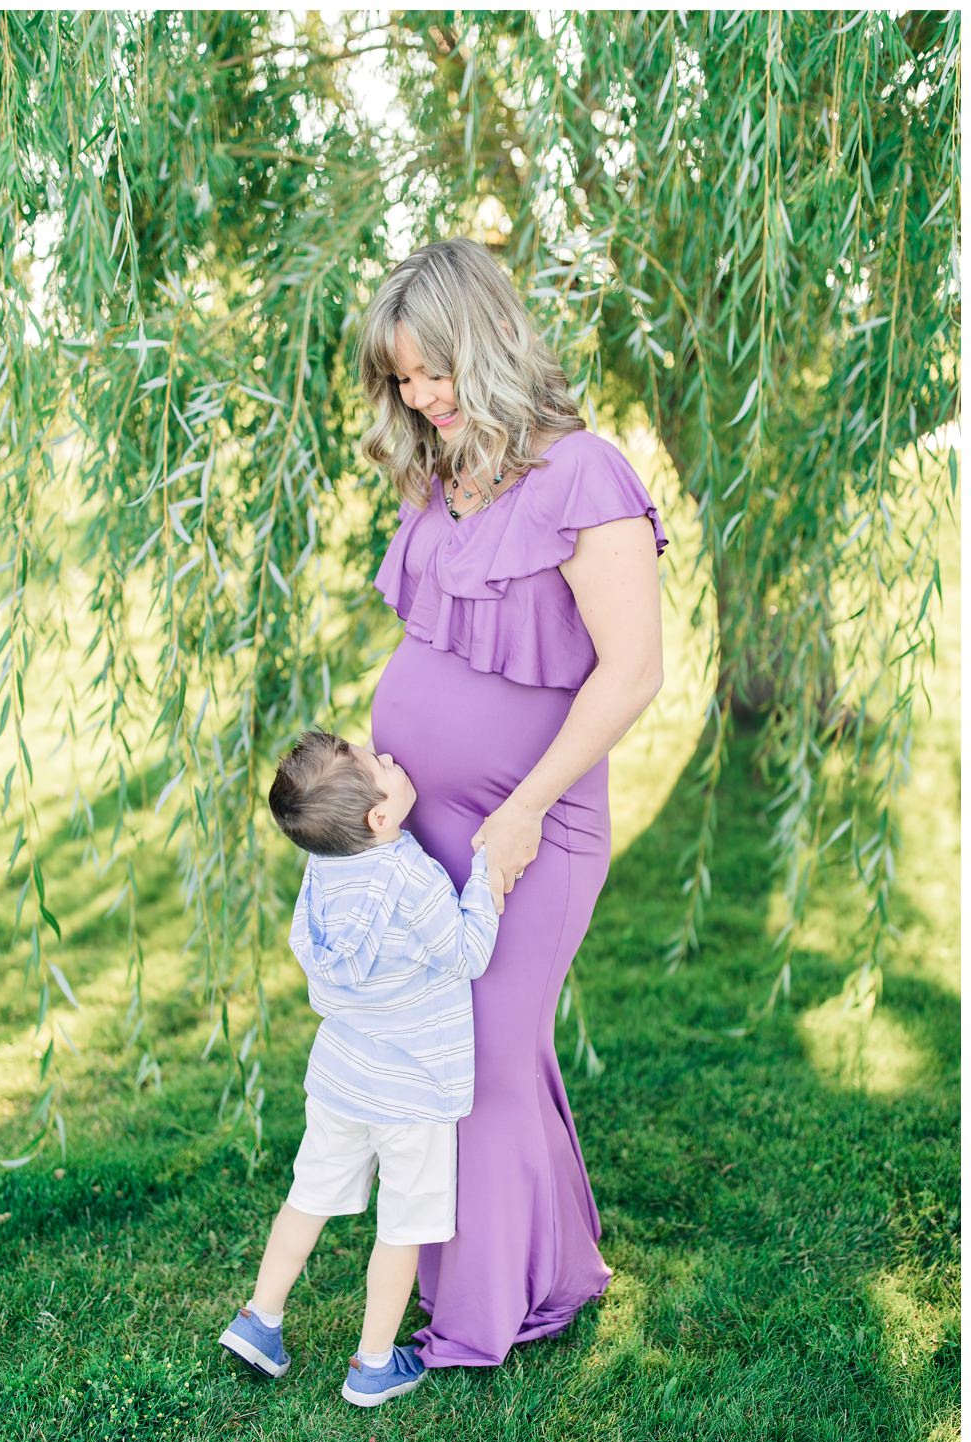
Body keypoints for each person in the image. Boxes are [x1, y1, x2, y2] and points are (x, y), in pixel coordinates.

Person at [356, 236, 666, 1368]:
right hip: (425, 824)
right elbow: (434, 644)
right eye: (400, 378)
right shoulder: (443, 478)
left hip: (532, 824)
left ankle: (475, 1317)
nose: (419, 396)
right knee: (462, 1044)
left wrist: (526, 804)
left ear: (484, 341)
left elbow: (631, 670)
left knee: (485, 1052)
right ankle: (549, 1264)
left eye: (432, 369)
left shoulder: (583, 472)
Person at [219, 730, 499, 1405]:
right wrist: (486, 878)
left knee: (307, 1197)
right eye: (381, 768)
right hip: (414, 1092)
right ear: (380, 817)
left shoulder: (325, 868)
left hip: (343, 1079)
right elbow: (466, 954)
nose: (393, 760)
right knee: (402, 1228)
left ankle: (260, 1319)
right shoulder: (410, 876)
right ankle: (374, 1364)